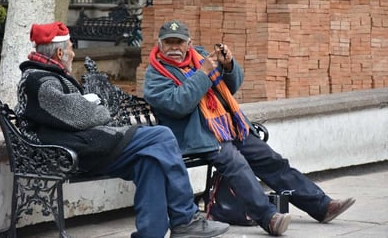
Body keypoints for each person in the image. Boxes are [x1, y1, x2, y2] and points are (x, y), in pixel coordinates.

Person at [15, 21, 229, 238]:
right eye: (71, 47)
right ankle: (185, 219)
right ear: (59, 52)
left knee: (151, 161)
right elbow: (83, 115)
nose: (73, 52)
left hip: (83, 144)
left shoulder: (46, 76)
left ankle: (151, 234)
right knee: (162, 136)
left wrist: (88, 106)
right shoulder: (38, 80)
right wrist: (98, 109)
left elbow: (75, 112)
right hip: (69, 151)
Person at [143, 20, 356, 236]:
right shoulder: (155, 74)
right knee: (235, 163)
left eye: (179, 43)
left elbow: (230, 87)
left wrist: (228, 65)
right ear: (159, 45)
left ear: (189, 44)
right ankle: (268, 217)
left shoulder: (199, 57)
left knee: (269, 158)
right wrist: (203, 74)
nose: (174, 48)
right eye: (168, 43)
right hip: (193, 137)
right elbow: (179, 105)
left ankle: (321, 206)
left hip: (226, 127)